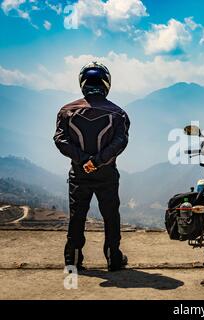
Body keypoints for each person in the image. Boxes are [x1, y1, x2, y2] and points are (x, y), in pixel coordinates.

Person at [54, 62, 130, 271]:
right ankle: (113, 258)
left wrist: (83, 160)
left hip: (79, 173)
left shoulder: (67, 111)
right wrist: (96, 161)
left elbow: (60, 140)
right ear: (106, 83)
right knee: (111, 216)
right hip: (106, 173)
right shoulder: (118, 113)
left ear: (82, 83)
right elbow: (120, 142)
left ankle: (73, 259)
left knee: (77, 215)